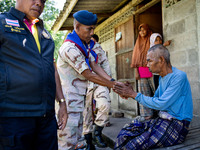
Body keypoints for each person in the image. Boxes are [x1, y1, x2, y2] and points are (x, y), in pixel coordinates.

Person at [0, 0, 67, 150]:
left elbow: (52, 68)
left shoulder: (45, 34)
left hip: (46, 118)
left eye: (43, 1)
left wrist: (62, 102)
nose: (39, 3)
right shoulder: (2, 23)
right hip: (13, 117)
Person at [56, 10, 119, 150]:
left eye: (93, 29)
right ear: (77, 27)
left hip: (78, 101)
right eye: (89, 29)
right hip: (68, 103)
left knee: (76, 139)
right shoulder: (70, 48)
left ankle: (93, 137)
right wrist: (114, 85)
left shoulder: (84, 46)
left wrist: (113, 82)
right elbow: (88, 74)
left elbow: (94, 65)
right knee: (66, 142)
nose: (92, 33)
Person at [114, 44, 193, 149]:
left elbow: (160, 103)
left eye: (149, 61)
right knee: (126, 133)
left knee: (132, 146)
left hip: (177, 125)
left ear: (161, 60)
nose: (147, 65)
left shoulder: (179, 76)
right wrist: (132, 93)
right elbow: (154, 101)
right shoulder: (162, 77)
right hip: (163, 119)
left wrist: (133, 94)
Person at [83, 34, 112, 148]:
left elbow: (105, 63)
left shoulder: (97, 47)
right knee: (86, 114)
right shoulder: (76, 46)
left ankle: (97, 132)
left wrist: (109, 81)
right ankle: (89, 142)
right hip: (84, 82)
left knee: (105, 104)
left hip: (100, 81)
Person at [131, 24, 155, 121]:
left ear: (148, 30)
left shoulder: (152, 39)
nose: (142, 32)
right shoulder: (138, 43)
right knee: (144, 93)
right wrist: (136, 72)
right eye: (140, 31)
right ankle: (147, 113)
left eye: (144, 30)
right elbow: (135, 58)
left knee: (156, 91)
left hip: (153, 69)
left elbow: (157, 49)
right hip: (142, 71)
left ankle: (159, 111)